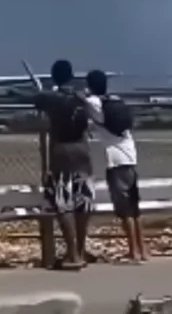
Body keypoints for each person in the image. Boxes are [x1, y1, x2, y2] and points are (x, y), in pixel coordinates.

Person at [30, 59, 95, 270]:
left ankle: (73, 254)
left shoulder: (52, 98)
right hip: (83, 153)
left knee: (63, 204)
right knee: (82, 203)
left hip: (61, 154)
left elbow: (29, 98)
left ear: (54, 76)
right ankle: (82, 250)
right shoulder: (81, 97)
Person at [83, 69, 147, 263]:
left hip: (115, 158)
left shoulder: (93, 102)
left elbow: (84, 104)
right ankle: (142, 250)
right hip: (130, 155)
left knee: (124, 209)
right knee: (134, 208)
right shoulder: (115, 101)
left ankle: (133, 252)